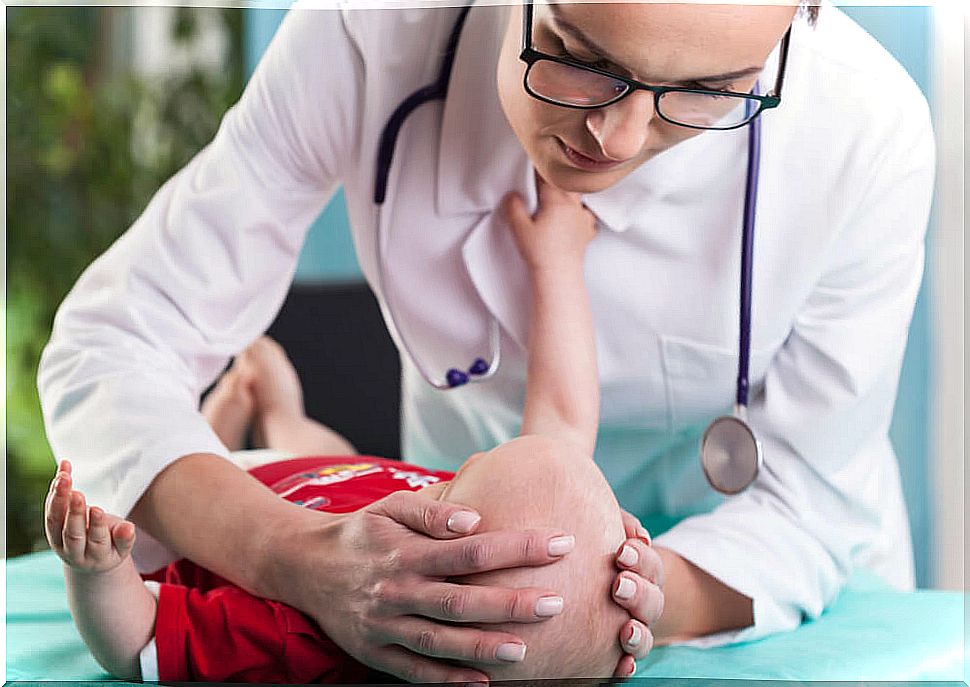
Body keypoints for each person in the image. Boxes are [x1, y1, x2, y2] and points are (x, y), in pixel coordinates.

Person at [38, 0, 935, 682]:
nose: (616, 137)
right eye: (584, 61)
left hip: (749, 582)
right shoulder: (372, 31)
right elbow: (110, 348)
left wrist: (610, 608)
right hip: (446, 534)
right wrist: (294, 559)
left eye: (708, 91)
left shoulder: (866, 133)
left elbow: (807, 505)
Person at [43, 180, 650, 682]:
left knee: (215, 482)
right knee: (321, 447)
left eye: (456, 484)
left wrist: (95, 571)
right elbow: (565, 413)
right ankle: (278, 408)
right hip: (344, 474)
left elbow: (139, 642)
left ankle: (229, 416)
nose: (461, 466)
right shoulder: (493, 525)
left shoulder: (320, 628)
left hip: (222, 502)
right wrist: (557, 262)